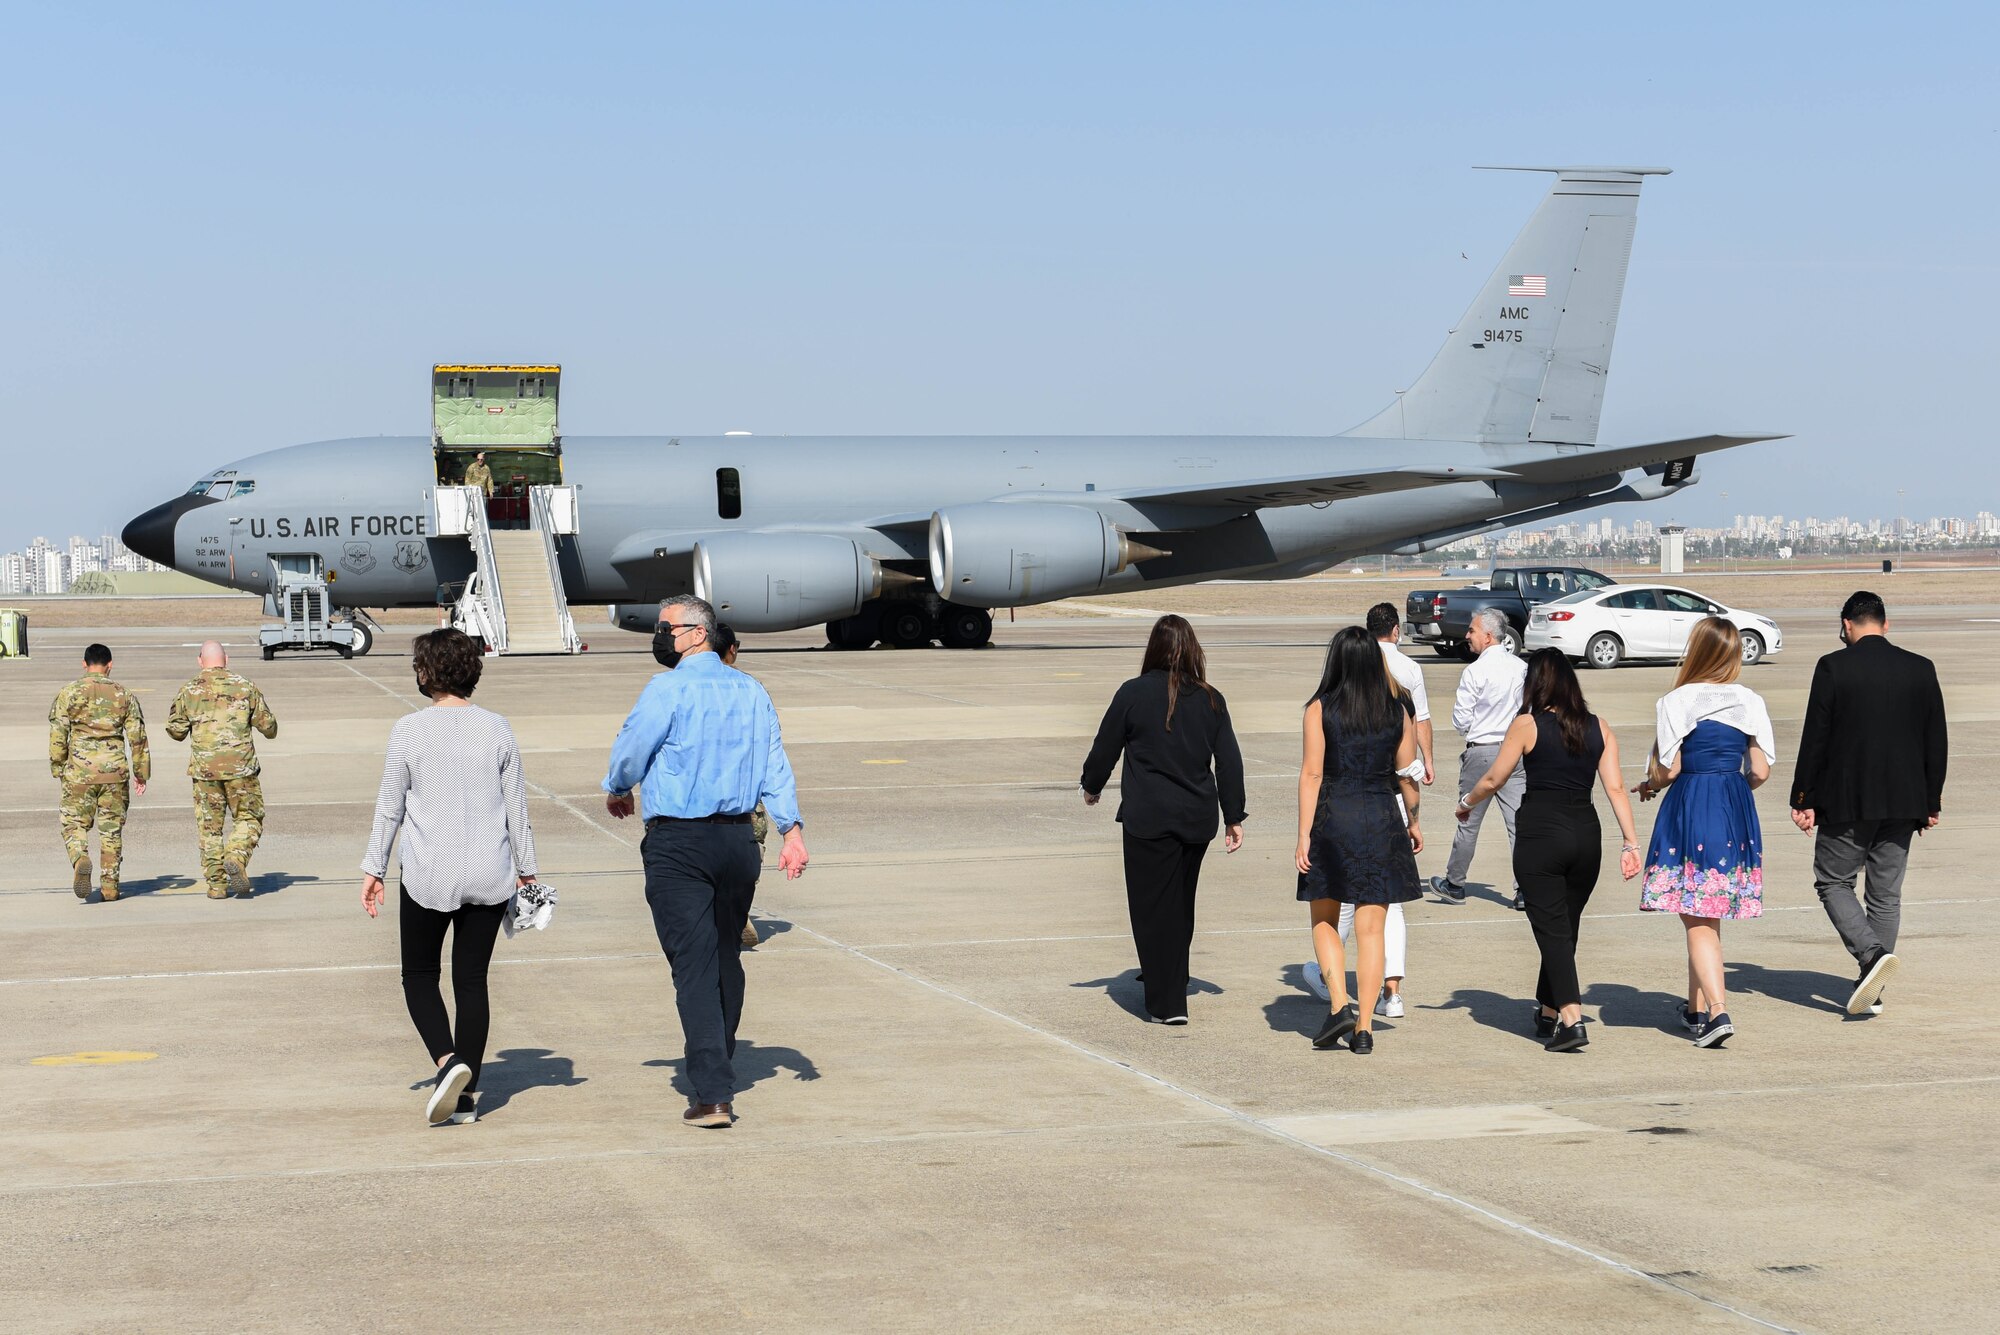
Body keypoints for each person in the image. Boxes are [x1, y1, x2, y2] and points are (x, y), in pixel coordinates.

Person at [604, 595, 808, 1129]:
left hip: (680, 844)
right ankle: (720, 1053)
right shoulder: (752, 690)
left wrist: (617, 786)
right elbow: (775, 762)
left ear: (696, 633)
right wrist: (791, 830)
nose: (660, 636)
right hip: (739, 843)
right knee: (723, 957)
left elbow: (632, 748)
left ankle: (713, 1092)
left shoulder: (667, 688)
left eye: (665, 628)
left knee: (692, 966)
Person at [361, 629, 539, 1127]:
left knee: (419, 976)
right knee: (472, 981)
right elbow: (517, 810)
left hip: (428, 872)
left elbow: (389, 805)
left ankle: (448, 1063)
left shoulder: (409, 730)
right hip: (490, 870)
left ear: (425, 673)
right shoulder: (497, 728)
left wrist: (374, 867)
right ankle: (465, 1097)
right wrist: (528, 871)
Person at [1461, 650, 1642, 1052]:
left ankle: (1572, 1019)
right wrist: (1630, 842)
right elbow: (1614, 788)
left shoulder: (1527, 724)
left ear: (1536, 684)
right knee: (1564, 928)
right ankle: (1547, 1011)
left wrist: (1466, 803)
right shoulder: (1600, 727)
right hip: (1585, 835)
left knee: (1553, 931)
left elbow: (1493, 778)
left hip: (1541, 834)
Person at [1080, 615, 1247, 1025]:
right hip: (1196, 818)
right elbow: (1229, 761)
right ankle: (1169, 973)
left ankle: (1167, 1003)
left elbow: (1106, 745)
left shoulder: (1133, 693)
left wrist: (1091, 784)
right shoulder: (1211, 698)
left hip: (1149, 819)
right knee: (1179, 904)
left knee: (1152, 908)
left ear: (1153, 649)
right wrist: (1234, 815)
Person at [1789, 591, 1948, 1017]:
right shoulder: (1921, 668)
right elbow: (1937, 740)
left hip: (1848, 799)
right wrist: (1931, 799)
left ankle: (1870, 955)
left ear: (1846, 624)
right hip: (1905, 799)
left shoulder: (1833, 666)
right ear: (1886, 624)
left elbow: (1815, 738)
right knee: (1885, 895)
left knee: (1833, 880)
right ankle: (1872, 986)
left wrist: (1803, 797)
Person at [1631, 618, 1776, 1049]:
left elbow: (1670, 769)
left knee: (1694, 911)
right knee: (1708, 910)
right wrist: (1732, 789)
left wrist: (1650, 784)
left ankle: (1717, 1010)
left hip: (1693, 802)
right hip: (1734, 804)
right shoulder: (1749, 700)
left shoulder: (1677, 700)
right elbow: (1761, 770)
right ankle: (1695, 1008)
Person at [1296, 626, 1423, 1055]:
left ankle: (1338, 1005)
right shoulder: (1397, 709)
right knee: (1373, 932)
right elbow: (1408, 772)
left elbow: (1312, 773)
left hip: (1334, 816)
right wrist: (1414, 821)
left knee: (1325, 920)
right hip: (1381, 816)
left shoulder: (1320, 708)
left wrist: (1302, 836)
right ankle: (1365, 1028)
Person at [165, 641, 278, 899]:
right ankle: (236, 856)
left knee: (210, 829)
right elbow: (269, 728)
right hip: (241, 769)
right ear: (225, 659)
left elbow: (175, 731)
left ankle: (216, 885)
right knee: (249, 818)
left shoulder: (189, 690)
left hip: (205, 772)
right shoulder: (245, 686)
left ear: (199, 661)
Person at [1433, 608, 1526, 908]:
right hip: (1515, 750)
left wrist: (1478, 729)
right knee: (1518, 824)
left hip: (1482, 751)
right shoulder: (1520, 667)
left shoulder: (1474, 671)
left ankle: (1455, 883)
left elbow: (1461, 720)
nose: (1467, 636)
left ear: (1487, 637)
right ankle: (1525, 889)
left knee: (1468, 819)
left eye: (1472, 631)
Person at [49, 642, 149, 902]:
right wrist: (141, 773)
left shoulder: (68, 693)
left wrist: (59, 767)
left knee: (73, 824)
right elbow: (137, 737)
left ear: (84, 664)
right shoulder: (123, 695)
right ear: (110, 665)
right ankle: (110, 886)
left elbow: (58, 735)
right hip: (114, 773)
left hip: (79, 772)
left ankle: (80, 857)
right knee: (111, 831)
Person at [713, 622, 767, 950]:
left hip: (696, 794)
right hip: (743, 790)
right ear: (731, 649)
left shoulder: (679, 684)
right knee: (752, 843)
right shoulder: (749, 688)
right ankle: (735, 908)